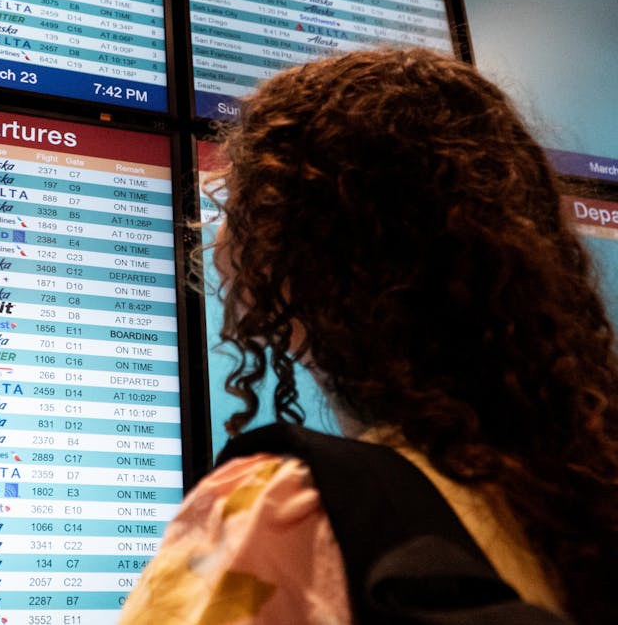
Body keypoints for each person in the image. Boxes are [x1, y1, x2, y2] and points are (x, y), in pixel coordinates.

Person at [118, 48, 618, 625]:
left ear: (302, 258)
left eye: (239, 203)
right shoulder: (580, 506)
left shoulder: (286, 517)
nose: (216, 236)